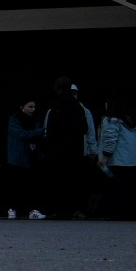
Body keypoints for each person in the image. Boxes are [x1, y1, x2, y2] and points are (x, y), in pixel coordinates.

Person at [40, 77, 95, 220]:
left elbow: (50, 130)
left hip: (56, 151)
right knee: (75, 180)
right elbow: (84, 127)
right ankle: (75, 209)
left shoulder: (55, 106)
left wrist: (48, 147)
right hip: (74, 150)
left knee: (57, 181)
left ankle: (57, 209)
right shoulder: (78, 106)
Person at [97, 100, 136, 221]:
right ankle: (131, 213)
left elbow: (110, 138)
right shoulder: (133, 121)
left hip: (115, 159)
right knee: (129, 187)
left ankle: (116, 213)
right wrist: (130, 145)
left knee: (115, 187)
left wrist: (105, 156)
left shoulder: (110, 120)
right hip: (130, 160)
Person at [0, 101, 45, 220]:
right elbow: (21, 134)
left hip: (31, 157)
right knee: (15, 185)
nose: (33, 109)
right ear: (22, 107)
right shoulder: (14, 120)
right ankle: (12, 209)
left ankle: (32, 210)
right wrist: (40, 132)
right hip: (17, 157)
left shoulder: (36, 120)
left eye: (34, 107)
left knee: (31, 185)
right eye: (30, 107)